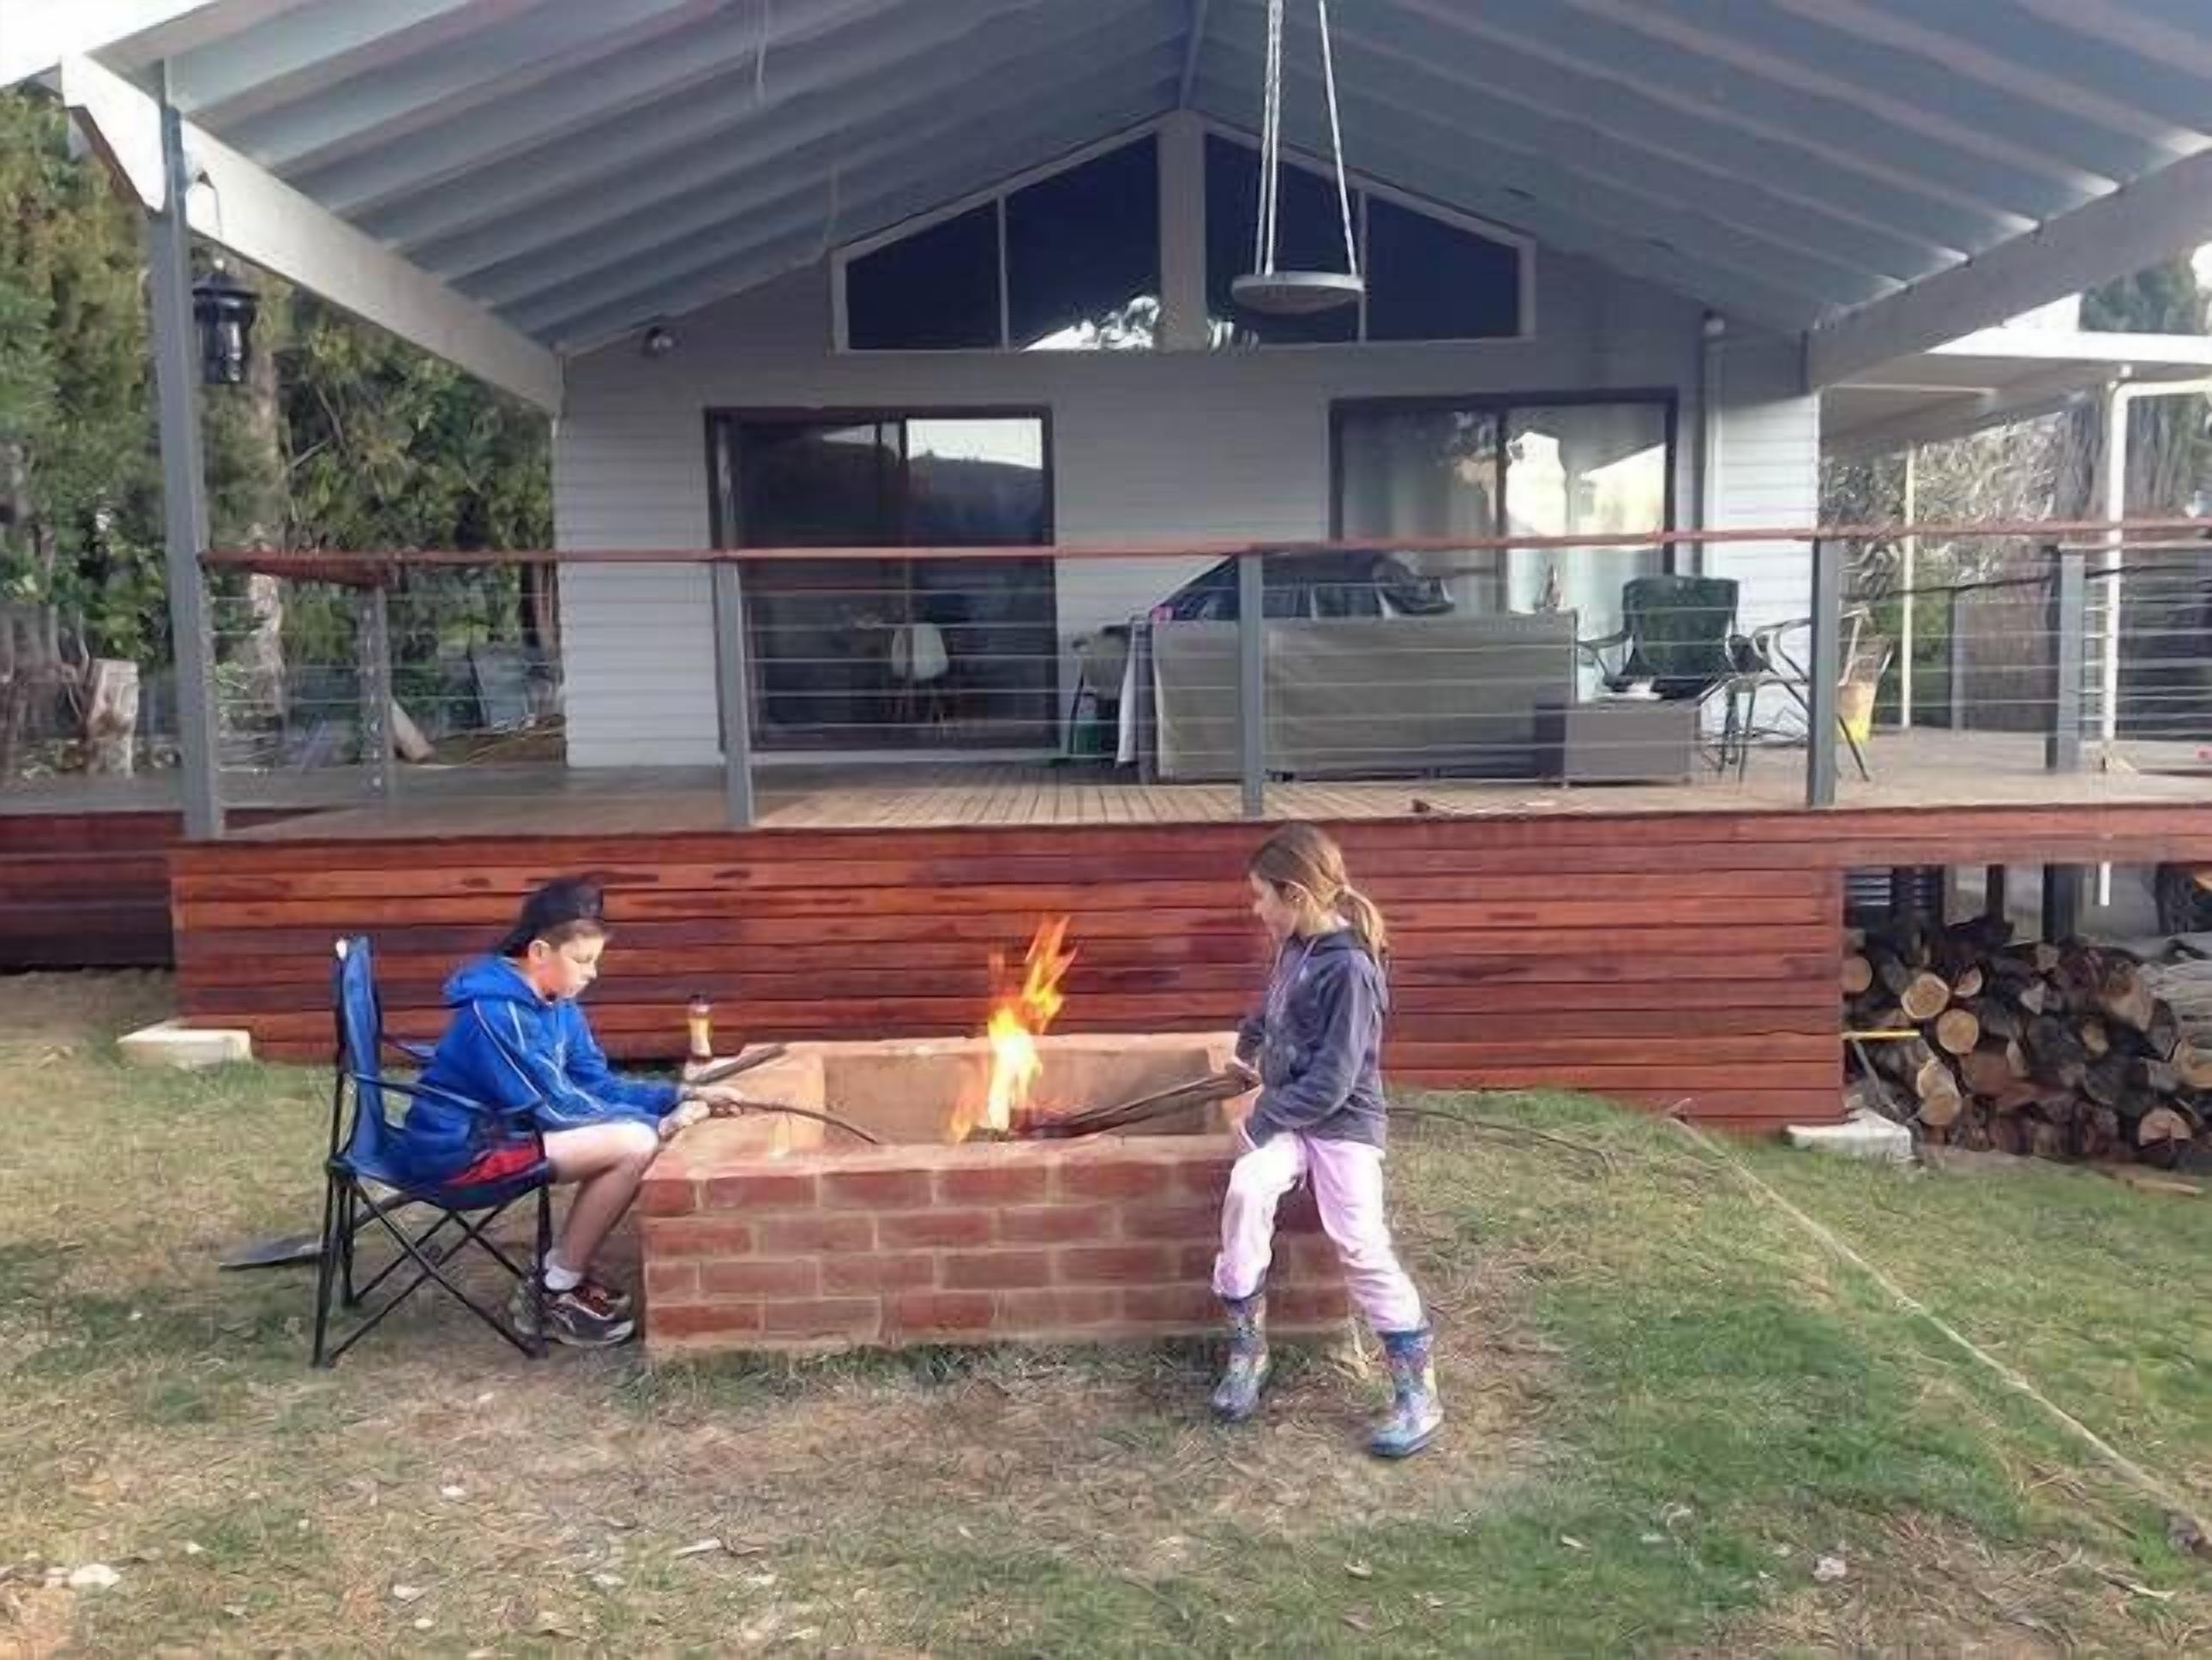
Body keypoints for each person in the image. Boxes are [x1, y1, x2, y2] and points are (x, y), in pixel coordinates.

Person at [404, 875, 737, 1348]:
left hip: (508, 1134)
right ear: (539, 953)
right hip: (459, 1157)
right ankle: (554, 1293)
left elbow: (595, 1084)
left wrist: (681, 1094)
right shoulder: (497, 1015)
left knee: (635, 1136)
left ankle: (560, 1279)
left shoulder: (555, 1000)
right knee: (635, 1144)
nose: (592, 974)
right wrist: (658, 1125)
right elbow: (557, 1109)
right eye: (582, 961)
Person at [1211, 823, 1442, 1458]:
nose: (1256, 911)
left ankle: (1417, 1391)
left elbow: (1335, 1083)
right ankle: (1247, 1352)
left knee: (1360, 1242)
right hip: (1293, 1116)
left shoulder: (1351, 971)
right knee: (1246, 1191)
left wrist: (1259, 1121)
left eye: (1261, 898)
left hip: (1341, 1126)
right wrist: (1247, 1045)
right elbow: (1275, 1004)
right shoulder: (1295, 947)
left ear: (1293, 894)